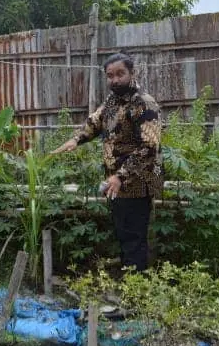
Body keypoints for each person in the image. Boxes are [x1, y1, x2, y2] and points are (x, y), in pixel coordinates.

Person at [51, 52, 164, 272]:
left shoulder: (144, 104)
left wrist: (121, 175)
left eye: (120, 74)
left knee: (134, 238)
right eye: (110, 75)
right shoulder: (112, 101)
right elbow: (96, 121)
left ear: (132, 73)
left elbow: (150, 147)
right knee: (123, 234)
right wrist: (76, 139)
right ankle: (131, 285)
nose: (115, 80)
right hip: (116, 183)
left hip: (137, 183)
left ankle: (137, 293)